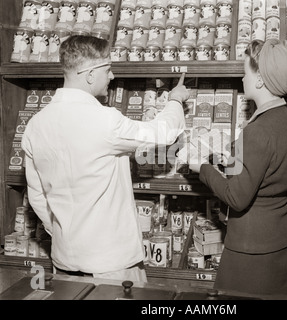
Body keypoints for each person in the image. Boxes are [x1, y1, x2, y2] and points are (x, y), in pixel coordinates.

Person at [21, 35, 189, 282]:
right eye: (108, 69)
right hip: (111, 266)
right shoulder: (105, 120)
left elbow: (37, 196)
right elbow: (161, 133)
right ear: (90, 74)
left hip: (64, 260)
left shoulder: (35, 125)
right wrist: (175, 100)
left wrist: (65, 233)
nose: (111, 76)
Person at [189, 38, 287, 297]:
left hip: (252, 248)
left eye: (245, 73)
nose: (242, 80)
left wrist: (202, 169)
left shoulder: (257, 130)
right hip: (282, 239)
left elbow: (236, 198)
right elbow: (267, 171)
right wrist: (226, 160)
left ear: (260, 80)